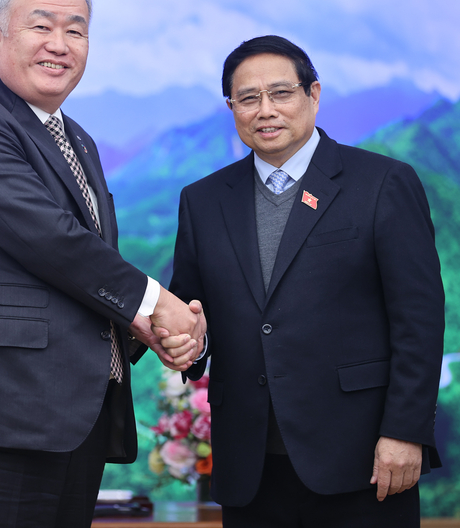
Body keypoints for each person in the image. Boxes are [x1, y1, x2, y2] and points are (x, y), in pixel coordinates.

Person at [0, 0, 203, 528]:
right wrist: (153, 305)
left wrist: (144, 327)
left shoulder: (78, 140)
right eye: (41, 26)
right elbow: (51, 240)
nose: (59, 44)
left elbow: (77, 271)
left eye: (76, 30)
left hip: (71, 415)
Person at [162, 35, 445, 527]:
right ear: (232, 108)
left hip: (362, 458)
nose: (265, 110)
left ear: (313, 94)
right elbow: (191, 312)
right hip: (249, 462)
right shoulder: (203, 200)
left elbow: (419, 320)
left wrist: (405, 432)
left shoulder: (382, 183)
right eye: (248, 99)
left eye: (281, 93)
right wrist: (189, 345)